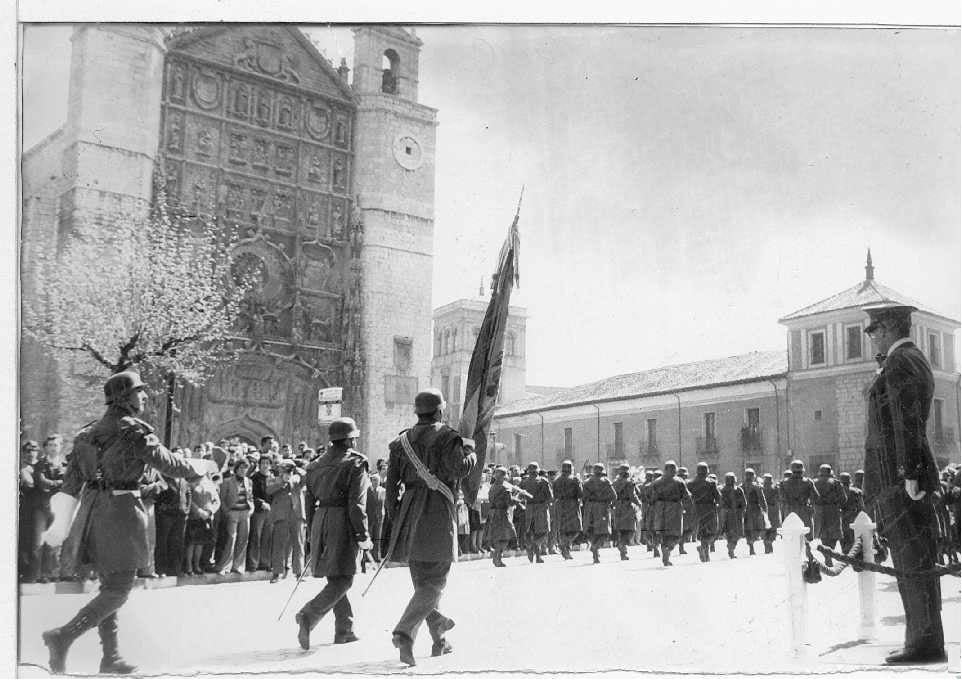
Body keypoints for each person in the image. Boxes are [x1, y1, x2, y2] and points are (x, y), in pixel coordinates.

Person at [40, 371, 201, 675]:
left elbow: (70, 484)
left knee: (109, 585)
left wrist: (61, 524)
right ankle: (63, 636)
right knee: (120, 588)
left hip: (92, 511)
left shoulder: (87, 433)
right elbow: (169, 463)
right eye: (139, 392)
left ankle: (110, 656)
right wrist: (202, 467)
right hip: (121, 511)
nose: (144, 396)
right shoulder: (134, 431)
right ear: (123, 397)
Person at [861, 302, 945, 664]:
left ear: (888, 329)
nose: (873, 338)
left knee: (913, 560)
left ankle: (923, 643)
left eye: (875, 331)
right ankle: (922, 638)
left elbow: (906, 418)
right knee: (913, 561)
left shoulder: (900, 361)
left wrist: (909, 472)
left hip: (901, 480)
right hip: (899, 478)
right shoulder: (908, 359)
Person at [385, 389, 476, 666]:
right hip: (437, 509)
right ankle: (403, 633)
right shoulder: (448, 437)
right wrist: (471, 453)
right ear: (439, 411)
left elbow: (390, 492)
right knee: (435, 582)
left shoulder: (400, 442)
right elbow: (460, 469)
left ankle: (438, 638)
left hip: (409, 514)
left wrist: (396, 518)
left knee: (423, 584)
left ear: (418, 412)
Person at [295, 418, 370, 649]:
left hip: (320, 519)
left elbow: (308, 501)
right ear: (349, 439)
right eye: (354, 437)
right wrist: (363, 535)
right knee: (345, 578)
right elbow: (357, 504)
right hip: (342, 520)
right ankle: (309, 614)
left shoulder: (315, 464)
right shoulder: (355, 463)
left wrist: (311, 530)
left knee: (335, 576)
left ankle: (344, 630)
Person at [267, 459, 306, 583]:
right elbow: (268, 490)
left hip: (297, 514)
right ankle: (277, 573)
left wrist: (297, 470)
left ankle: (299, 572)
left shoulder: (297, 478)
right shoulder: (273, 479)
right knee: (279, 544)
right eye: (284, 468)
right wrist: (282, 481)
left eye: (288, 468)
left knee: (298, 544)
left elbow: (306, 478)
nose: (286, 470)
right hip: (281, 515)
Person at [650, 461, 691, 566]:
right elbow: (687, 497)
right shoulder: (679, 481)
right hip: (674, 509)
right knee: (676, 535)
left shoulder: (656, 482)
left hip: (660, 510)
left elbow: (651, 498)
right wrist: (687, 508)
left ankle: (665, 550)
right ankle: (667, 551)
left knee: (663, 533)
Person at [812, 464, 847, 566]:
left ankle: (827, 556)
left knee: (823, 535)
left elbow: (811, 498)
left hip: (819, 511)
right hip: (833, 511)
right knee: (833, 536)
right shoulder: (836, 483)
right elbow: (843, 499)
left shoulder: (814, 482)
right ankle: (829, 555)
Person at [582, 463, 616, 564]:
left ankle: (595, 552)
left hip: (590, 508)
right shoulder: (606, 482)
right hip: (602, 508)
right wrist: (610, 504)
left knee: (592, 531)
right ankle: (595, 547)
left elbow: (583, 497)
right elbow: (614, 495)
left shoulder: (587, 482)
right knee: (604, 532)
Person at [520, 462, 553, 563]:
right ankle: (534, 547)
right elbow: (550, 497)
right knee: (543, 532)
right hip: (541, 509)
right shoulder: (543, 481)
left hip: (529, 509)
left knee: (532, 531)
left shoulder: (524, 482)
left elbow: (520, 496)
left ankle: (536, 554)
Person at [687, 462, 720, 562]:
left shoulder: (691, 483)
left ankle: (704, 550)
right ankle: (704, 550)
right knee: (713, 531)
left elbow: (687, 497)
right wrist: (719, 504)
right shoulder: (711, 482)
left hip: (697, 509)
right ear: (707, 471)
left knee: (702, 531)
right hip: (709, 508)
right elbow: (718, 497)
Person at [779, 460, 819, 539]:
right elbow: (816, 497)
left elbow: (781, 498)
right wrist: (811, 506)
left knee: (790, 535)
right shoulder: (808, 482)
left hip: (789, 511)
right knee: (806, 535)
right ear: (802, 470)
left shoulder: (783, 483)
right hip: (804, 511)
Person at [551, 459, 583, 560]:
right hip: (572, 505)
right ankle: (565, 545)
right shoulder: (575, 480)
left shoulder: (556, 480)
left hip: (560, 505)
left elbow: (554, 494)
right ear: (570, 468)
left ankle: (565, 548)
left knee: (563, 529)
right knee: (576, 529)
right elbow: (581, 494)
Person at [487, 466, 518, 567]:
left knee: (498, 536)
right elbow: (509, 502)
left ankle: (497, 557)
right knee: (506, 536)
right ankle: (497, 557)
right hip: (503, 514)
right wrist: (518, 500)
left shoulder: (492, 487)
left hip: (494, 514)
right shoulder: (505, 488)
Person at [248, 454, 274, 572]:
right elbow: (251, 495)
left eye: (267, 463)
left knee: (267, 537)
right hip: (259, 511)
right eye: (263, 463)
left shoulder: (272, 477)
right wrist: (261, 503)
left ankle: (265, 562)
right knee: (256, 537)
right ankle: (253, 563)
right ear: (259, 465)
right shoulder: (254, 478)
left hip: (271, 511)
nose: (265, 466)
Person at [612, 464, 642, 560]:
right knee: (630, 530)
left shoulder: (615, 482)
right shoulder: (629, 483)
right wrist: (639, 503)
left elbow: (612, 495)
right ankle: (622, 546)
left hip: (617, 508)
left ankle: (623, 552)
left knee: (621, 530)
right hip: (627, 508)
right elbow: (632, 495)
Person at [741, 468, 769, 556]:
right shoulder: (757, 487)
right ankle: (765, 547)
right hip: (756, 510)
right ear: (753, 476)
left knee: (748, 530)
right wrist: (765, 510)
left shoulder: (741, 487)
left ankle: (751, 547)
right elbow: (762, 499)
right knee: (760, 528)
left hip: (745, 511)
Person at [719, 472, 746, 559]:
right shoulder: (725, 490)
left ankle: (731, 547)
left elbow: (743, 502)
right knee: (734, 533)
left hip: (732, 514)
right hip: (731, 514)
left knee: (732, 533)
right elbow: (744, 503)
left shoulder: (737, 489)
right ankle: (731, 548)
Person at [838, 471, 865, 554]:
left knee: (843, 536)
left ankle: (845, 554)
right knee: (853, 536)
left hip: (841, 517)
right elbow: (861, 507)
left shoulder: (837, 492)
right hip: (853, 517)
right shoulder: (857, 491)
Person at [760, 473, 781, 554]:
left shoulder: (761, 489)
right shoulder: (775, 489)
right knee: (772, 530)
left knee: (766, 530)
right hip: (773, 512)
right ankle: (769, 543)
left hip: (766, 512)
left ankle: (767, 544)